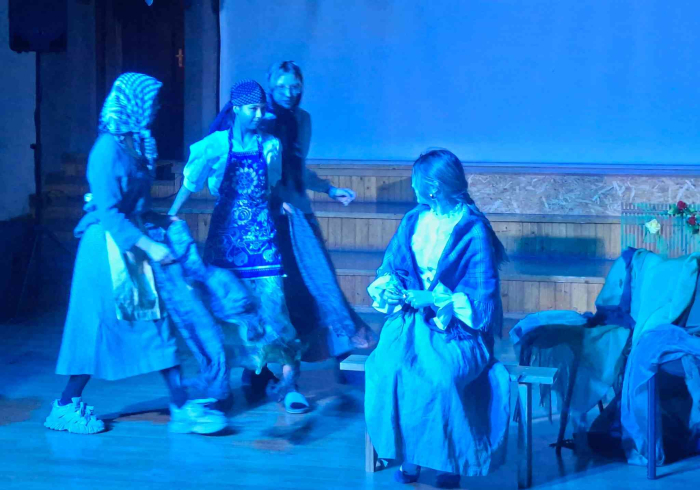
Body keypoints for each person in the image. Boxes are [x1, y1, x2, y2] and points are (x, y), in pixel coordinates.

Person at [44, 73, 226, 435]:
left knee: (154, 325)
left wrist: (161, 220)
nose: (157, 108)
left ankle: (180, 405)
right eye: (152, 102)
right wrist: (151, 245)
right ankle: (64, 406)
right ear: (132, 103)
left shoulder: (138, 143)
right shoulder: (106, 150)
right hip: (105, 251)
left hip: (131, 247)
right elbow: (111, 214)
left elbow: (135, 206)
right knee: (97, 328)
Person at [364, 149, 511, 488]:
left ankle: (449, 460)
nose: (412, 187)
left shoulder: (472, 229)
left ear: (433, 186)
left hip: (456, 329)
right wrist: (391, 288)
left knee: (441, 379)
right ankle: (410, 455)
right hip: (411, 323)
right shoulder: (413, 220)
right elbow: (393, 267)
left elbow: (482, 298)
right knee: (389, 370)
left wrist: (433, 298)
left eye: (416, 181)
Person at [168, 80, 306, 413]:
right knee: (225, 313)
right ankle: (220, 385)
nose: (259, 114)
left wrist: (284, 205)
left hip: (261, 239)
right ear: (236, 109)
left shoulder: (270, 145)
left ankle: (289, 385)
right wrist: (171, 214)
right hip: (226, 244)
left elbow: (272, 185)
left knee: (274, 309)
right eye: (252, 109)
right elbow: (191, 183)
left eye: (261, 108)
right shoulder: (215, 145)